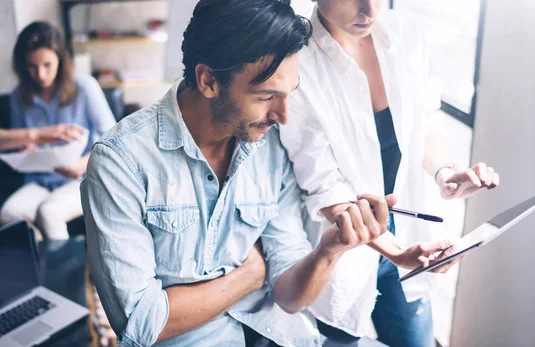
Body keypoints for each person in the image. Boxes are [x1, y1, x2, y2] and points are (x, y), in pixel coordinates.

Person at [80, 1, 454, 346]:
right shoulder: (120, 163)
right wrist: (248, 276)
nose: (284, 116)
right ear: (209, 81)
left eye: (290, 93)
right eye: (265, 97)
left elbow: (289, 297)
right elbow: (142, 323)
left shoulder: (269, 147)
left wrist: (330, 249)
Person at [278, 1, 500, 346]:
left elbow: (425, 121)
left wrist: (445, 173)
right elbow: (324, 187)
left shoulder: (407, 33)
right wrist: (394, 250)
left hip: (410, 233)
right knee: (338, 334)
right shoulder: (296, 62)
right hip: (342, 241)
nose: (370, 10)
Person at [0, 22, 115, 239]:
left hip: (81, 179)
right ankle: (42, 268)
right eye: (32, 67)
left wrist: (80, 165)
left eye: (47, 65)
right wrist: (28, 148)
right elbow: (21, 140)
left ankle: (65, 272)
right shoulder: (19, 95)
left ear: (60, 61)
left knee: (48, 212)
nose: (40, 75)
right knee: (10, 214)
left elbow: (114, 141)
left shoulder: (85, 86)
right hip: (40, 180)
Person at [0, 124, 86, 152]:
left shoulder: (84, 85)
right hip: (37, 178)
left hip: (79, 177)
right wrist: (35, 136)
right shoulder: (19, 94)